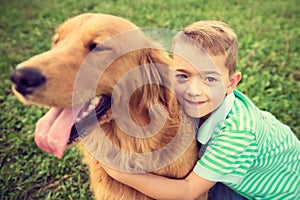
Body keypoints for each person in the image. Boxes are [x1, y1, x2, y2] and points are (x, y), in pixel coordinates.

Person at [103, 20, 300, 199]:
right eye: (182, 76)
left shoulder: (236, 134)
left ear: (231, 83)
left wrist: (118, 172)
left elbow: (188, 191)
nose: (194, 91)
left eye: (210, 79)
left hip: (272, 194)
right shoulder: (193, 99)